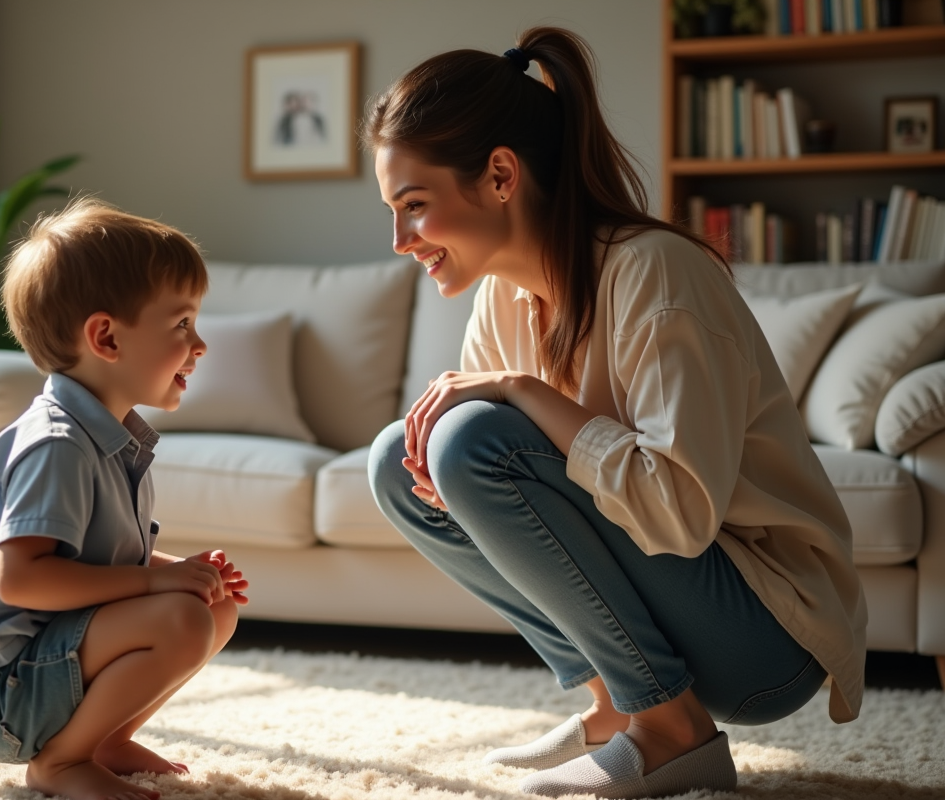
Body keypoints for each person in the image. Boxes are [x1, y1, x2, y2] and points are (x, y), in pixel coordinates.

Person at [365, 27, 866, 800]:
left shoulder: (656, 274)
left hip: (768, 634)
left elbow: (681, 513)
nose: (399, 240)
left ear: (500, 174)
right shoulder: (505, 296)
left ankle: (671, 732)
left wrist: (530, 395)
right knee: (403, 459)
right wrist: (453, 465)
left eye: (415, 206)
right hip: (686, 614)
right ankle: (613, 705)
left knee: (468, 440)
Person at [0, 198, 248, 800]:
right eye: (181, 325)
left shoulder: (115, 440)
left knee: (213, 605)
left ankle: (101, 739)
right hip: (2, 689)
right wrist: (158, 587)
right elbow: (23, 580)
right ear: (106, 338)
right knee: (179, 616)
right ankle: (60, 763)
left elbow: (103, 564)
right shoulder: (57, 444)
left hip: (49, 658)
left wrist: (185, 572)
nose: (199, 344)